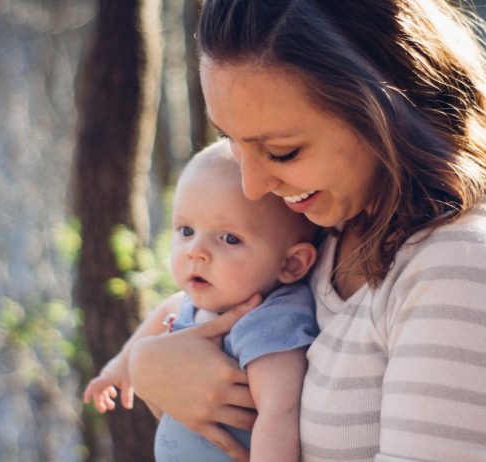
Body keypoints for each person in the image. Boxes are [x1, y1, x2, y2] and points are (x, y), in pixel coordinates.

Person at [128, 1, 486, 461]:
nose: (252, 187)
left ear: (386, 111)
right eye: (231, 139)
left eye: (283, 152)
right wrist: (148, 364)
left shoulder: (460, 267)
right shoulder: (329, 223)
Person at [84, 140, 320, 461]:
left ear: (291, 264)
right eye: (185, 230)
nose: (195, 250)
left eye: (229, 238)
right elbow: (162, 312)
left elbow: (280, 414)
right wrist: (117, 369)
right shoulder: (193, 303)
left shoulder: (269, 321)